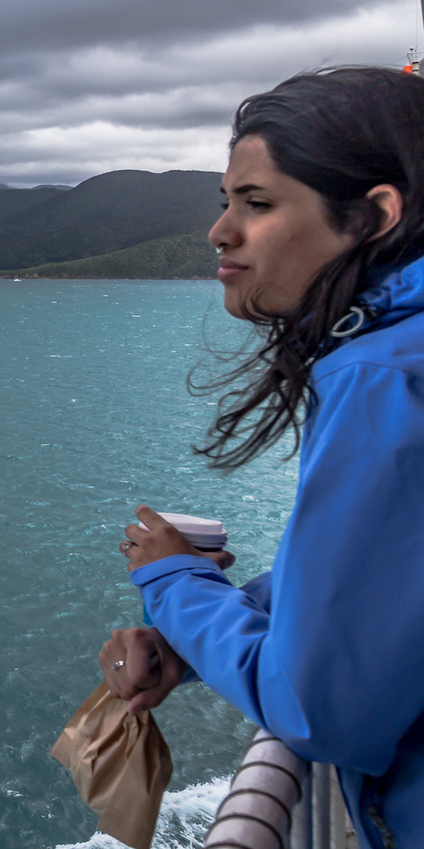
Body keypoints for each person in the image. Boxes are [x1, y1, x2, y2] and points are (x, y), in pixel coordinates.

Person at [97, 67, 424, 849]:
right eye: (226, 202)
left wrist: (175, 581)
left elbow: (323, 711)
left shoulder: (383, 379)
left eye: (258, 203)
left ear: (374, 215)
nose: (221, 231)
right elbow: (391, 574)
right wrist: (203, 630)